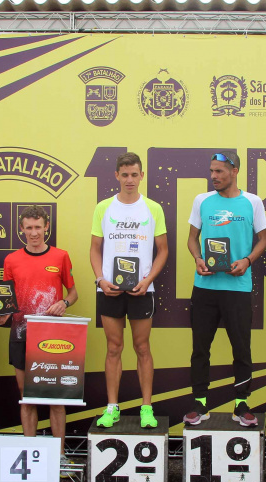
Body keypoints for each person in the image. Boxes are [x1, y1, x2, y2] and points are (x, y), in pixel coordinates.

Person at [184, 150, 266, 427]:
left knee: (242, 349)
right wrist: (198, 259)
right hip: (205, 287)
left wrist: (247, 260)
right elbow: (192, 239)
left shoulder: (253, 202)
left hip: (238, 288)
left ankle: (241, 404)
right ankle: (200, 404)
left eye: (219, 171)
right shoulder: (202, 201)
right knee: (200, 348)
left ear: (234, 171)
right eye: (211, 171)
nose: (213, 177)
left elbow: (263, 240)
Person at [0, 206, 78, 465]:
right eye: (28, 228)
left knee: (54, 396)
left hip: (53, 337)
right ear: (21, 229)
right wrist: (3, 315)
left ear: (46, 228)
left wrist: (64, 302)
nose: (33, 233)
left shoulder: (60, 256)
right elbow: (5, 302)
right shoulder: (11, 260)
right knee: (27, 396)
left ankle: (60, 455)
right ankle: (30, 454)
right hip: (20, 333)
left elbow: (73, 293)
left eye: (38, 227)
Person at [90, 152, 168, 429]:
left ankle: (147, 407)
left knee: (142, 347)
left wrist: (147, 281)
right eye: (124, 175)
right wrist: (100, 279)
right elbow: (95, 249)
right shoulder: (103, 208)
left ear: (142, 176)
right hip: (109, 290)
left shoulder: (153, 208)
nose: (130, 180)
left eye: (134, 174)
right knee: (113, 348)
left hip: (141, 289)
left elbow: (163, 250)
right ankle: (112, 408)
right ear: (116, 176)